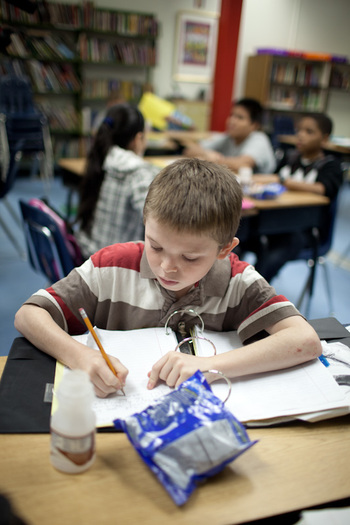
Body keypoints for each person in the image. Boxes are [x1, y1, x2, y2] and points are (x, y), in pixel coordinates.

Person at [14, 158, 321, 398]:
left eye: (190, 257)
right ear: (145, 225)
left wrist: (208, 366)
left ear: (224, 249)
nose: (167, 268)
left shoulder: (237, 281)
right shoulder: (112, 266)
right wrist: (79, 356)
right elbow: (29, 315)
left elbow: (305, 340)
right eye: (156, 246)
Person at [251, 113, 344, 282]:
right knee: (240, 236)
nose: (300, 135)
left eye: (309, 132)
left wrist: (284, 181)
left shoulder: (331, 165)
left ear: (324, 139)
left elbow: (321, 189)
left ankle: (251, 293)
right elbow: (272, 180)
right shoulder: (289, 157)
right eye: (299, 130)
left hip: (305, 230)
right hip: (275, 221)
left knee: (275, 252)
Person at [75, 103, 160, 259]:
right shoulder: (139, 173)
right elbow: (162, 222)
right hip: (114, 267)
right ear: (138, 138)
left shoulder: (102, 158)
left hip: (89, 254)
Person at [183, 98, 276, 173]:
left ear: (254, 125)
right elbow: (190, 150)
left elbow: (242, 164)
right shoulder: (227, 137)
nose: (232, 121)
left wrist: (214, 159)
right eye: (231, 115)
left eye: (240, 117)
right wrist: (206, 154)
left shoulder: (259, 139)